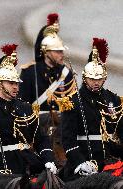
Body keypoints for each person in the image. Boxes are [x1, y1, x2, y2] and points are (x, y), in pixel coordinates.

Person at [0, 44, 57, 176]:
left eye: (17, 83)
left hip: (29, 163)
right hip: (2, 166)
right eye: (11, 83)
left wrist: (48, 160)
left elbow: (41, 138)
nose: (15, 87)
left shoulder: (26, 108)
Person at [61, 38, 123, 181]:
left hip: (110, 159)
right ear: (85, 78)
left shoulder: (113, 99)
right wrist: (80, 163)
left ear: (104, 78)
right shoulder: (72, 102)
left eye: (99, 79)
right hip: (85, 160)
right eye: (92, 79)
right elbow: (68, 140)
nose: (96, 83)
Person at [19, 13, 76, 166]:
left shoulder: (67, 73)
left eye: (62, 51)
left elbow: (73, 101)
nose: (61, 54)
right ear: (46, 52)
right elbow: (22, 103)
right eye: (58, 52)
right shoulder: (30, 72)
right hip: (38, 124)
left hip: (63, 124)